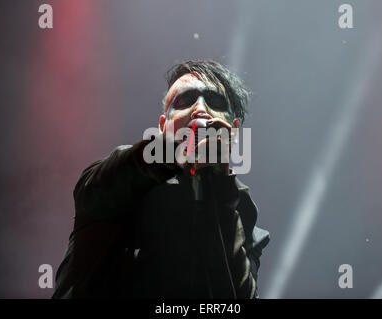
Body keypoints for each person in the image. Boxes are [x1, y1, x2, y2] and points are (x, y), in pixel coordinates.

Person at [52, 60, 270, 299]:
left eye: (214, 101)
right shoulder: (123, 175)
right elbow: (99, 188)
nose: (200, 109)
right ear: (163, 126)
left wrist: (221, 192)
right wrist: (178, 150)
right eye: (185, 101)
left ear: (233, 131)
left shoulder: (244, 215)